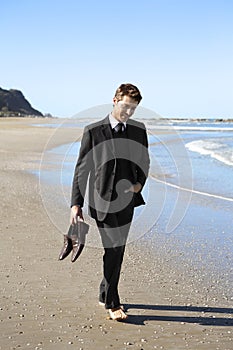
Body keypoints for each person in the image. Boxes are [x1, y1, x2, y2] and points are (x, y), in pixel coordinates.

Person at [69, 83, 150, 321]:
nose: (128, 112)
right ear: (115, 101)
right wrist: (76, 204)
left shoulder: (138, 130)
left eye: (133, 109)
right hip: (101, 201)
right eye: (125, 106)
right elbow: (82, 170)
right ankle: (113, 304)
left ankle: (106, 290)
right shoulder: (93, 131)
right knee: (113, 248)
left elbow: (144, 162)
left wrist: (138, 185)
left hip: (127, 202)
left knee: (118, 250)